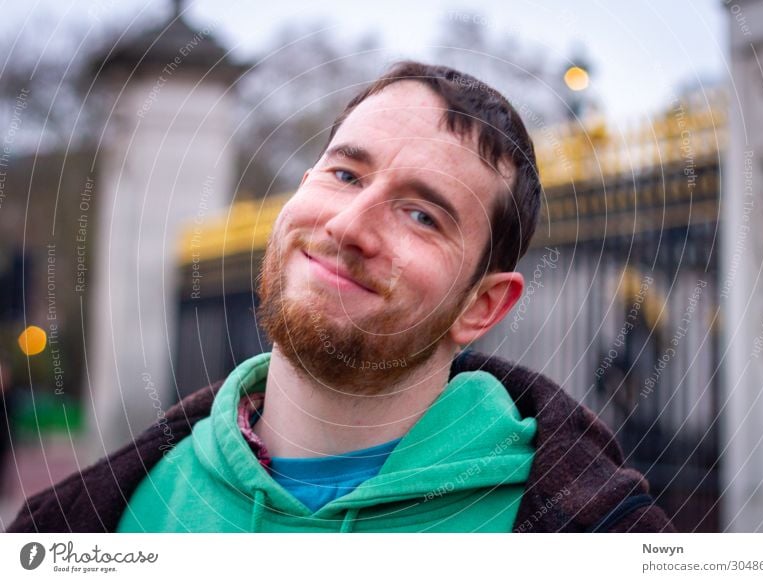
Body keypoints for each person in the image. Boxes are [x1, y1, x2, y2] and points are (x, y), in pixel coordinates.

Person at [8, 61, 674, 533]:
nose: (349, 225)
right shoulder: (91, 521)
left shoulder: (590, 534)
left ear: (482, 307)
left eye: (423, 215)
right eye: (345, 172)